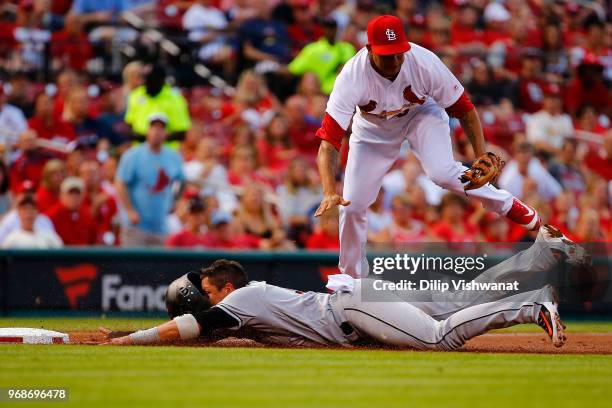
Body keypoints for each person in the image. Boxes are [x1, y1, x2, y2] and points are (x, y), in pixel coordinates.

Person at [314, 15, 543, 278]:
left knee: (442, 172)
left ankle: (510, 206)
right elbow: (328, 142)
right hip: (373, 128)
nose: (395, 60)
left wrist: (480, 154)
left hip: (421, 114)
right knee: (352, 204)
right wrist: (330, 189)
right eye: (387, 55)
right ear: (369, 49)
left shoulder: (423, 62)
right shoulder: (352, 77)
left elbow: (465, 110)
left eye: (399, 52)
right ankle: (352, 280)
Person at [101, 225, 588, 348]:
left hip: (352, 310)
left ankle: (530, 305)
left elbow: (193, 326)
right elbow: (207, 328)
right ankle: (542, 252)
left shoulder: (242, 299)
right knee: (461, 299)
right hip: (357, 298)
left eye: (206, 287)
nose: (203, 294)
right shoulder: (249, 309)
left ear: (224, 287)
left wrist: (130, 338)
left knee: (440, 336)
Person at [115, 113, 185, 246]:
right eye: (154, 127)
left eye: (161, 128)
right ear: (148, 130)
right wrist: (130, 210)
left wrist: (176, 201)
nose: (157, 132)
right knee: (134, 264)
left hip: (161, 226)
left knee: (159, 265)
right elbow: (120, 183)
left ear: (166, 133)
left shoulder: (173, 156)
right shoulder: (133, 155)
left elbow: (182, 180)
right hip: (136, 226)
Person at [287, 17, 356, 95]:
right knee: (309, 77)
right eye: (328, 28)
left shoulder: (347, 48)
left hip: (341, 93)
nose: (331, 31)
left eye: (333, 28)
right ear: (323, 29)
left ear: (337, 29)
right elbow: (293, 69)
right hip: (319, 92)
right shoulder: (312, 49)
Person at [124, 65, 191, 140]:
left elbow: (182, 132)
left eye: (151, 79)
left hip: (166, 149)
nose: (147, 83)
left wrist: (156, 138)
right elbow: (129, 125)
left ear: (161, 80)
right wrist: (141, 137)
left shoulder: (175, 98)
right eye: (145, 78)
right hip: (140, 147)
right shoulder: (135, 95)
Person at [47, 177, 97, 245]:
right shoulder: (52, 216)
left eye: (77, 194)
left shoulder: (87, 216)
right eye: (70, 193)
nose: (74, 197)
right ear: (62, 195)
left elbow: (93, 240)